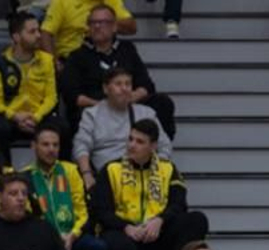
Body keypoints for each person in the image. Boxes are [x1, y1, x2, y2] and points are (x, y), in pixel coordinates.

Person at [90, 118, 208, 250]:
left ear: (152, 146)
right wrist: (126, 227)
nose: (132, 145)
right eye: (130, 139)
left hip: (158, 233)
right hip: (126, 234)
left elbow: (179, 203)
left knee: (196, 220)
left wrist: (160, 220)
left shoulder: (168, 169)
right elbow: (100, 210)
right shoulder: (111, 169)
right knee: (115, 242)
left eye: (139, 142)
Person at [59, 2, 171, 137]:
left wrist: (131, 99)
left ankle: (156, 151)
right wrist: (104, 106)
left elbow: (146, 85)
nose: (97, 26)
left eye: (103, 22)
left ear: (114, 27)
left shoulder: (127, 49)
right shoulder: (77, 56)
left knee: (163, 103)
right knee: (78, 116)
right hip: (95, 108)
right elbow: (72, 96)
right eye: (93, 22)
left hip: (129, 105)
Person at [73, 68, 172, 189]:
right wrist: (87, 175)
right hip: (107, 179)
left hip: (142, 177)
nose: (124, 88)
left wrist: (156, 171)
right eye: (118, 84)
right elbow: (80, 147)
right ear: (105, 88)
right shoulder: (92, 114)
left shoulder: (146, 113)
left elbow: (164, 145)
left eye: (128, 84)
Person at [0, 11, 59, 153]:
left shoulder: (47, 60)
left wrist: (37, 116)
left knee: (63, 128)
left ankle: (59, 172)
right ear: (16, 37)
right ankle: (4, 171)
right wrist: (14, 116)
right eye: (32, 32)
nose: (38, 35)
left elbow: (52, 97)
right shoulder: (0, 63)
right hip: (12, 118)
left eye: (38, 30)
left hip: (39, 115)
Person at [25, 123, 90, 250]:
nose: (51, 149)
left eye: (55, 145)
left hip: (73, 234)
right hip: (42, 237)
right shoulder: (25, 176)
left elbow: (81, 209)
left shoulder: (70, 170)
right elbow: (29, 216)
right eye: (46, 144)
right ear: (34, 146)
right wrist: (54, 237)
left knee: (98, 247)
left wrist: (73, 234)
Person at [42, 0, 135, 59]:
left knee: (127, 50)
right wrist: (53, 63)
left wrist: (103, 22)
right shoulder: (62, 2)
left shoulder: (111, 1)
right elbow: (45, 33)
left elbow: (132, 28)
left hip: (103, 56)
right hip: (69, 59)